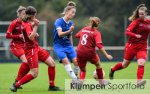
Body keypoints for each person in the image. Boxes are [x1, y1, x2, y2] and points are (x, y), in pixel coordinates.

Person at [10, 6, 60, 92]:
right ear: (32, 15)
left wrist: (33, 26)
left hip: (36, 47)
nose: (35, 16)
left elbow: (29, 30)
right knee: (34, 74)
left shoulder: (27, 23)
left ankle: (52, 86)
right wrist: (36, 26)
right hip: (30, 50)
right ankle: (16, 85)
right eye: (35, 15)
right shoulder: (26, 24)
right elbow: (31, 37)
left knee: (52, 63)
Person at [109, 4, 150, 86]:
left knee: (141, 63)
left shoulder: (148, 22)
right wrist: (135, 35)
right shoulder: (136, 22)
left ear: (146, 13)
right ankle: (113, 69)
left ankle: (139, 82)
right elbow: (127, 32)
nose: (140, 15)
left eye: (142, 14)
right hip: (132, 46)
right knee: (124, 65)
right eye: (139, 14)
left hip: (142, 47)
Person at [75, 17, 113, 85]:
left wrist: (85, 33)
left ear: (90, 22)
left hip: (79, 52)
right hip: (89, 52)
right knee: (98, 65)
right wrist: (106, 55)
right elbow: (99, 45)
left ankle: (80, 82)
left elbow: (76, 35)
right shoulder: (96, 33)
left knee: (83, 69)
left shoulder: (84, 29)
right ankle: (101, 82)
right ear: (98, 24)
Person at [53, 1, 79, 81]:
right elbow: (60, 34)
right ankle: (75, 79)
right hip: (59, 46)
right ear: (67, 11)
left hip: (68, 46)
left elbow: (70, 35)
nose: (73, 14)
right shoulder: (59, 21)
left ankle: (75, 76)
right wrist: (69, 30)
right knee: (66, 61)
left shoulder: (71, 23)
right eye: (72, 12)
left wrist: (72, 47)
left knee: (76, 62)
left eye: (74, 13)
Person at [6, 6, 30, 89]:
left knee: (29, 64)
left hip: (24, 46)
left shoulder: (26, 23)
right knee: (26, 61)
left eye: (25, 14)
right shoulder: (14, 23)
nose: (25, 15)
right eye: (23, 14)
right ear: (19, 14)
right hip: (15, 46)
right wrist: (18, 36)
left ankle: (18, 81)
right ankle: (17, 81)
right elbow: (7, 35)